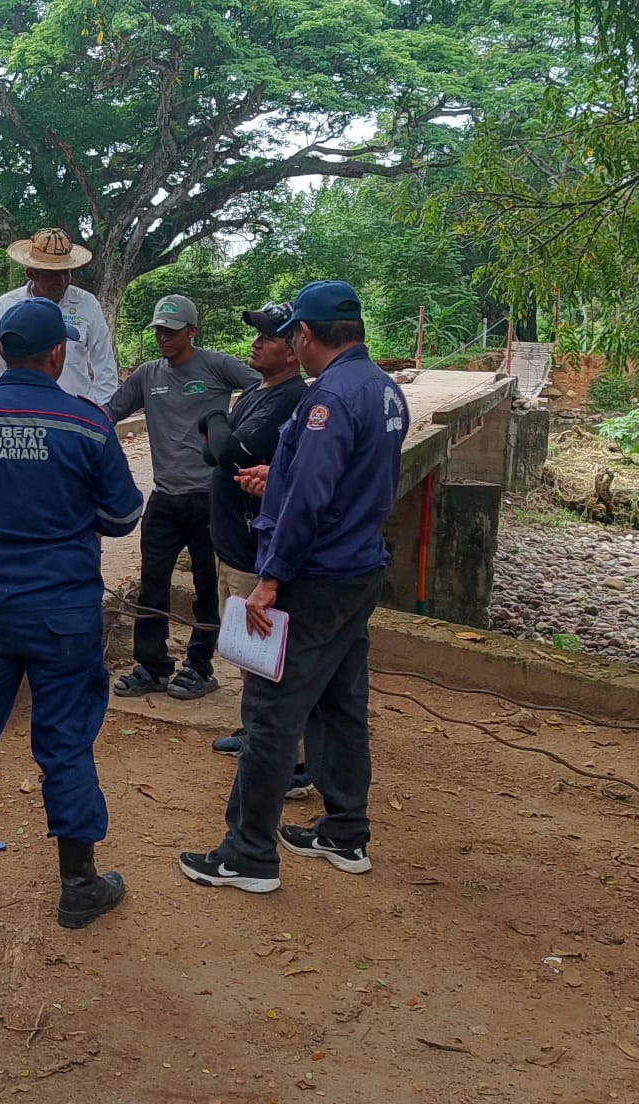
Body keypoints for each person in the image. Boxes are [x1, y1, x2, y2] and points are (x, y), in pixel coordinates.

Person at [0, 296, 143, 929]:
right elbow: (124, 515)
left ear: (0, 351)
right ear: (58, 353)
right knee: (66, 742)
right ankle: (79, 885)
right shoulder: (87, 424)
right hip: (62, 614)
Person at [179, 281, 409, 893]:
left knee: (271, 714)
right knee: (340, 702)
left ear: (305, 336)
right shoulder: (383, 389)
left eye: (288, 336)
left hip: (315, 576)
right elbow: (347, 478)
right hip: (359, 569)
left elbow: (310, 500)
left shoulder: (326, 398)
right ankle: (345, 830)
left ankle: (247, 854)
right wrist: (275, 478)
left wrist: (271, 578)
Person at [104, 295, 258, 700]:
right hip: (165, 498)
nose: (163, 338)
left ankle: (199, 667)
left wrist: (236, 435)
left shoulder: (216, 366)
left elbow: (265, 389)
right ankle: (152, 666)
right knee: (152, 584)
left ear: (192, 331)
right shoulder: (147, 375)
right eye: (158, 330)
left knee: (208, 586)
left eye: (171, 331)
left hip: (210, 498)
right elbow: (110, 412)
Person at [200, 302, 315, 800]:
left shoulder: (290, 397)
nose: (256, 343)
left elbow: (229, 451)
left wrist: (213, 417)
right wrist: (218, 432)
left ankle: (293, 764)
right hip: (231, 542)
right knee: (248, 655)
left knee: (269, 657)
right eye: (258, 335)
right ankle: (255, 733)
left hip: (256, 547)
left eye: (268, 337)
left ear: (292, 351)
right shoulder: (255, 392)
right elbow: (213, 451)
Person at [0, 228, 119, 404]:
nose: (62, 281)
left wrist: (103, 410)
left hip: (73, 410)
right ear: (32, 274)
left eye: (66, 272)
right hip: (22, 409)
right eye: (52, 274)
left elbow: (105, 366)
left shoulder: (88, 304)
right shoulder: (5, 307)